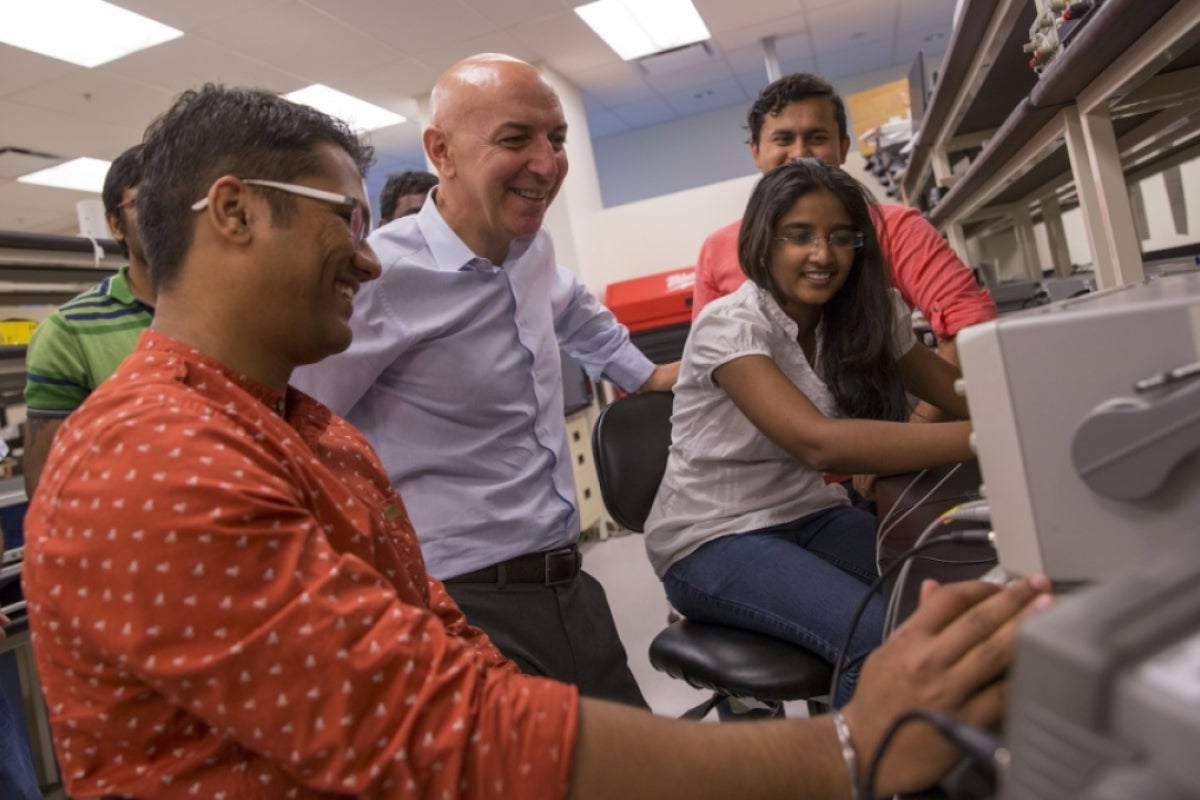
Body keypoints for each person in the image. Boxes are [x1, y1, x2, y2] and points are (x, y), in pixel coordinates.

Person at [22, 81, 1052, 800]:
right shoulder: (157, 459)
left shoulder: (309, 428)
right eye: (343, 213)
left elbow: (450, 669)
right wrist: (846, 744)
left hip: (551, 591)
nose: (368, 259)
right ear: (234, 214)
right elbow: (443, 738)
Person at [292, 54, 676, 708]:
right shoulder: (382, 277)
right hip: (463, 602)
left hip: (567, 585)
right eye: (515, 139)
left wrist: (647, 375)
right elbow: (296, 423)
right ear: (441, 151)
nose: (548, 163)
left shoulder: (530, 248)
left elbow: (571, 304)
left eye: (556, 139)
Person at [646, 158, 975, 707]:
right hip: (712, 538)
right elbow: (817, 441)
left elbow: (958, 392)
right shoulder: (732, 324)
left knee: (945, 588)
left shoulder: (865, 315)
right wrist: (984, 436)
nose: (823, 255)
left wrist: (1022, 406)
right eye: (800, 236)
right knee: (874, 642)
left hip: (808, 513)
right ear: (764, 241)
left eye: (840, 237)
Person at [693, 72, 995, 437]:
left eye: (817, 138)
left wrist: (907, 440)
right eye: (783, 139)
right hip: (779, 466)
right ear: (756, 151)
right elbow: (714, 367)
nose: (801, 152)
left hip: (889, 450)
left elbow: (971, 326)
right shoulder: (717, 261)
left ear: (842, 146)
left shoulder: (896, 229)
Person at [22, 144, 155, 496]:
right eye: (149, 202)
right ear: (115, 224)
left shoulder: (232, 312)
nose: (169, 216)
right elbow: (49, 489)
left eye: (181, 199)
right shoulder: (69, 332)